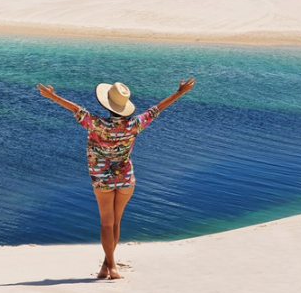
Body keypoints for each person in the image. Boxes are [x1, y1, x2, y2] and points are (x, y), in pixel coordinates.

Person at [37, 78, 195, 279]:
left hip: (102, 180)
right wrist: (180, 91)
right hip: (125, 178)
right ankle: (106, 265)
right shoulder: (135, 124)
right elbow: (158, 109)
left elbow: (76, 109)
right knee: (116, 222)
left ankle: (111, 267)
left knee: (106, 224)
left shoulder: (96, 124)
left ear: (107, 104)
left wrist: (52, 96)